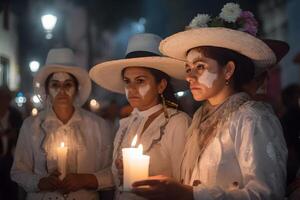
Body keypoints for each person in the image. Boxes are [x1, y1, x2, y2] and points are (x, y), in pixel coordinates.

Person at [131, 3, 287, 200]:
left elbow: (267, 194)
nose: (190, 77)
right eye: (188, 69)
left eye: (200, 67)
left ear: (228, 70)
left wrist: (191, 194)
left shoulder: (252, 118)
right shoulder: (198, 119)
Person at [89, 33, 191, 199]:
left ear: (161, 85)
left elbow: (184, 182)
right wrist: (121, 173)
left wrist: (147, 178)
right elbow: (116, 180)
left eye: (140, 80)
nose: (132, 89)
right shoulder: (125, 124)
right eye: (127, 81)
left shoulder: (177, 123)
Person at [11, 48, 114, 200]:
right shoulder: (31, 126)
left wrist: (87, 179)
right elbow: (18, 171)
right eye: (55, 85)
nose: (61, 91)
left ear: (77, 88)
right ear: (46, 89)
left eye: (67, 85)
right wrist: (39, 182)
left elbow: (114, 172)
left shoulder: (97, 126)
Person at [0, 86, 23, 200]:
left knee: (11, 191)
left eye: (5, 98)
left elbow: (22, 134)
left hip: (11, 158)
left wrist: (14, 134)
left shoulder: (15, 115)